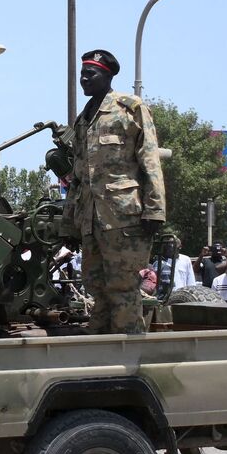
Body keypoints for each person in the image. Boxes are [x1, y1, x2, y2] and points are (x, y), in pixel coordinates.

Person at [59, 49, 166, 335]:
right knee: (97, 289)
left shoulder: (129, 108)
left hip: (124, 219)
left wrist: (155, 209)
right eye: (81, 74)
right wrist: (70, 220)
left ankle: (129, 355)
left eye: (90, 74)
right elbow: (79, 175)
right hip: (92, 222)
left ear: (107, 76)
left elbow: (150, 160)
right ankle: (101, 351)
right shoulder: (83, 120)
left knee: (123, 289)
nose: (83, 79)